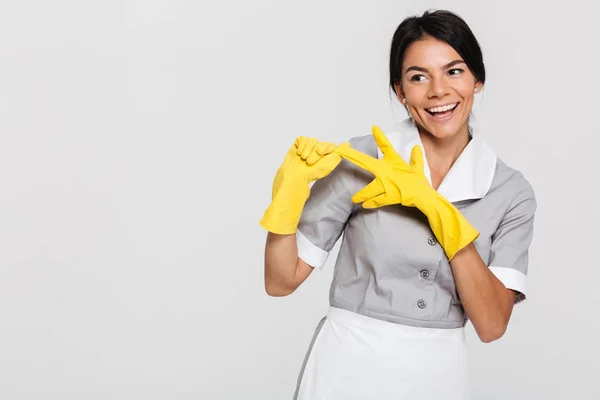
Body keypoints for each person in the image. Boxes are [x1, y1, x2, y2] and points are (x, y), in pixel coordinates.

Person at [260, 9, 536, 400]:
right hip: (346, 368)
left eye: (454, 71)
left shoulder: (509, 191)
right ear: (400, 92)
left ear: (478, 80)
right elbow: (280, 281)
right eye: (418, 77)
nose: (438, 91)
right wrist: (285, 203)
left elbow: (492, 325)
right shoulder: (363, 159)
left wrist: (443, 216)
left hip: (438, 377)